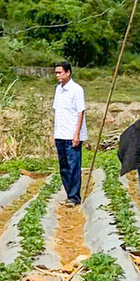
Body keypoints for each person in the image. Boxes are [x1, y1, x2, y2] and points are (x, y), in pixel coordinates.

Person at [52, 61, 87, 206]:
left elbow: (80, 112)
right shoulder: (58, 89)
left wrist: (76, 134)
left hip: (72, 134)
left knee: (73, 166)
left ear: (68, 72)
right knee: (64, 167)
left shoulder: (76, 90)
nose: (57, 75)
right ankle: (69, 195)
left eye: (60, 72)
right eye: (56, 73)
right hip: (60, 133)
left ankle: (74, 197)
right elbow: (57, 111)